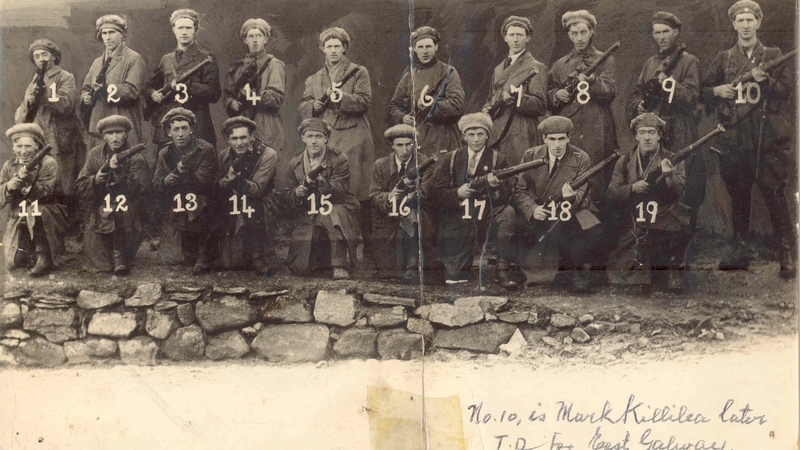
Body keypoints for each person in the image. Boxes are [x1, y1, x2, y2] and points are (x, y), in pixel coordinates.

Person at [701, 0, 795, 277]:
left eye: (750, 20)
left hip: (766, 136)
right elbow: (703, 89)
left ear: (758, 22)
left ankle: (786, 250)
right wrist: (717, 91)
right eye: (740, 20)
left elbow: (785, 91)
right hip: (734, 137)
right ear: (733, 24)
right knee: (739, 195)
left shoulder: (773, 54)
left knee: (774, 193)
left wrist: (765, 80)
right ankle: (741, 249)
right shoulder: (724, 58)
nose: (745, 25)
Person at [298, 27, 375, 263]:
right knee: (329, 189)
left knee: (360, 192)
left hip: (355, 137)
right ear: (322, 49)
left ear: (344, 48)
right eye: (328, 46)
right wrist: (313, 107)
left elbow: (364, 100)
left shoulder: (358, 72)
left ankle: (369, 250)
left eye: (337, 46)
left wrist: (342, 98)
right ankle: (331, 249)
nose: (333, 50)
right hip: (326, 137)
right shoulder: (314, 79)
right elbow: (303, 104)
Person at [497, 116, 598, 290]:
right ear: (544, 138)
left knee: (588, 222)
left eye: (561, 138)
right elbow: (519, 190)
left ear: (569, 137)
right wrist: (532, 209)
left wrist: (571, 199)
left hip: (567, 212)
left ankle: (578, 271)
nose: (557, 144)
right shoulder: (531, 155)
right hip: (539, 212)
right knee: (519, 227)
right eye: (552, 139)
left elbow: (584, 195)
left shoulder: (581, 157)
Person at [626, 12, 705, 225]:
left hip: (680, 126)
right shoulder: (650, 63)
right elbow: (637, 92)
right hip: (655, 127)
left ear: (675, 32)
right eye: (657, 33)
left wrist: (668, 84)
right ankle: (658, 227)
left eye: (666, 32)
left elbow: (692, 96)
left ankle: (685, 229)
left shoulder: (689, 61)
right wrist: (639, 104)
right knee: (654, 174)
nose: (661, 37)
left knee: (683, 174)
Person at [606, 113, 688, 291]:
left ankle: (673, 270)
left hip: (664, 215)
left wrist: (669, 176)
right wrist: (632, 188)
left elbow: (679, 192)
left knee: (678, 228)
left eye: (652, 132)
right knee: (620, 269)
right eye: (642, 132)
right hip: (634, 217)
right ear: (636, 136)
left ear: (659, 135)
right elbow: (612, 193)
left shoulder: (673, 158)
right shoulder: (625, 161)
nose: (647, 137)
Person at [429, 112, 511, 284]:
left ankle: (501, 265)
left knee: (507, 214)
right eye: (471, 134)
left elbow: (505, 197)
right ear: (464, 136)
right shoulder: (451, 158)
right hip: (457, 214)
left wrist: (495, 187)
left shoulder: (498, 159)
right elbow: (435, 192)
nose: (476, 139)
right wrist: (456, 193)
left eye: (480, 134)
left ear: (488, 135)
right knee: (454, 275)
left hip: (485, 214)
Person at [548, 10, 618, 197]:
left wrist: (593, 81)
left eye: (583, 32)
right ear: (569, 35)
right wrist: (556, 95)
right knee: (567, 170)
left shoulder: (605, 59)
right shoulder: (560, 65)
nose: (579, 38)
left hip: (597, 127)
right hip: (569, 126)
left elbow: (610, 92)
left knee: (596, 173)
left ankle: (593, 209)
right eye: (574, 33)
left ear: (591, 32)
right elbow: (547, 97)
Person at [281, 118, 361, 280]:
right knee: (300, 267)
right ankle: (322, 259)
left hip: (338, 207)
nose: (314, 141)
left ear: (326, 138)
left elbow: (340, 192)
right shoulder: (295, 164)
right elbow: (286, 198)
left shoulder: (339, 159)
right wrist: (297, 193)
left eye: (318, 136)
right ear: (303, 138)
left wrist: (322, 183)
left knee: (332, 214)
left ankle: (339, 264)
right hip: (310, 212)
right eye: (309, 136)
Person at [74, 115, 152, 275]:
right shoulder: (95, 154)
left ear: (126, 134)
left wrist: (117, 172)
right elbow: (79, 187)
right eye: (110, 133)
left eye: (119, 132)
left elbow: (136, 192)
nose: (115, 137)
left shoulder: (136, 158)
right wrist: (95, 180)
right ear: (104, 136)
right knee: (100, 263)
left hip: (128, 210)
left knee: (123, 216)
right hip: (99, 209)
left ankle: (121, 255)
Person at [15, 38, 86, 212]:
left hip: (61, 138)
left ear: (54, 56)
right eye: (37, 56)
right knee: (43, 180)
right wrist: (29, 102)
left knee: (65, 183)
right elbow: (20, 117)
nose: (41, 59)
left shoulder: (65, 77)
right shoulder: (34, 80)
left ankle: (70, 219)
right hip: (40, 138)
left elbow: (67, 105)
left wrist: (45, 95)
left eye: (44, 54)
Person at [224, 18, 289, 188]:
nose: (255, 40)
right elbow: (228, 94)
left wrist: (253, 95)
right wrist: (231, 103)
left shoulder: (274, 65)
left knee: (269, 169)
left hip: (266, 123)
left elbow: (276, 98)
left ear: (266, 39)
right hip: (242, 123)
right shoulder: (237, 67)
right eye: (250, 36)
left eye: (259, 36)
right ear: (245, 40)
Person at [151, 107, 218, 273]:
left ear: (191, 130)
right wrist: (165, 181)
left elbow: (203, 183)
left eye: (184, 128)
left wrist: (185, 173)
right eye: (176, 129)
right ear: (168, 132)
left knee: (202, 203)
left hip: (201, 203)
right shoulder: (164, 152)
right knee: (175, 258)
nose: (180, 134)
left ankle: (204, 251)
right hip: (176, 204)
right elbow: (156, 183)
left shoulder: (205, 149)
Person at [144, 8, 221, 146]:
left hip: (197, 124)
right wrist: (153, 93)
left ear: (195, 29)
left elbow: (214, 93)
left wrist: (188, 85)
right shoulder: (166, 59)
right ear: (174, 30)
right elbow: (149, 86)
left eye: (188, 28)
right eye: (180, 28)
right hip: (169, 125)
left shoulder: (206, 57)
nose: (184, 32)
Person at [211, 116, 278, 273]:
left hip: (261, 203)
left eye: (243, 137)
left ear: (251, 137)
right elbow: (218, 182)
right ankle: (208, 253)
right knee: (228, 262)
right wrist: (224, 181)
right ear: (228, 140)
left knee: (251, 205)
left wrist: (238, 179)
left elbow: (256, 190)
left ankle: (257, 255)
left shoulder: (267, 154)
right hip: (234, 200)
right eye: (234, 138)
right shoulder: (224, 155)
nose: (239, 143)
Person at [368, 125, 435, 283]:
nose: (405, 150)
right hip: (388, 219)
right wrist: (390, 196)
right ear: (391, 145)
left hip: (417, 216)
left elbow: (425, 195)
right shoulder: (381, 165)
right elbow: (373, 196)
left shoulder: (425, 163)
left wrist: (410, 194)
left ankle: (412, 266)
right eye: (399, 145)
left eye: (409, 144)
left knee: (412, 216)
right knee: (387, 268)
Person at [0, 123, 67, 277]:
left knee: (36, 209)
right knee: (12, 261)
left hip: (48, 212)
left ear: (36, 146)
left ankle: (44, 254)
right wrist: (9, 186)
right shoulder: (9, 166)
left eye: (28, 146)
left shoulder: (48, 163)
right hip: (19, 215)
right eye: (19, 146)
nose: (23, 151)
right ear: (13, 147)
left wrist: (28, 179)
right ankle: (28, 252)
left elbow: (46, 192)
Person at [387, 26, 465, 156]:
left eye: (428, 46)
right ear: (414, 49)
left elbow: (457, 106)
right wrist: (402, 117)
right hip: (418, 138)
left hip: (443, 139)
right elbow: (393, 107)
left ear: (436, 47)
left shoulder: (448, 72)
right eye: (420, 47)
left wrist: (429, 105)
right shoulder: (409, 77)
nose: (424, 51)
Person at [481, 16, 548, 166]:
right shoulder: (498, 69)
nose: (515, 39)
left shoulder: (536, 67)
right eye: (511, 35)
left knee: (521, 174)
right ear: (505, 38)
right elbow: (491, 98)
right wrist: (486, 109)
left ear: (528, 37)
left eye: (520, 35)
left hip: (521, 132)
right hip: (497, 132)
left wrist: (517, 98)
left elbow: (541, 105)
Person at [81, 14, 145, 149]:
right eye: (104, 33)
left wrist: (105, 88)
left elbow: (132, 91)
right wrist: (85, 97)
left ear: (122, 34)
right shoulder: (97, 62)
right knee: (98, 158)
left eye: (112, 32)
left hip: (123, 122)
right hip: (99, 124)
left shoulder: (133, 58)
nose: (108, 37)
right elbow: (86, 88)